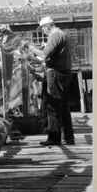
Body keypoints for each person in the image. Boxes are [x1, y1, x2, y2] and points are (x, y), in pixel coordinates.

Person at [27, 16, 75, 146]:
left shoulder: (54, 36)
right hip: (66, 73)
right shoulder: (63, 35)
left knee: (52, 106)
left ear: (47, 26)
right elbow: (50, 58)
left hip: (56, 74)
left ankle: (54, 137)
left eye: (43, 30)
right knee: (64, 106)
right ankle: (69, 137)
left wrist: (31, 49)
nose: (43, 32)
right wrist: (36, 66)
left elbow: (45, 55)